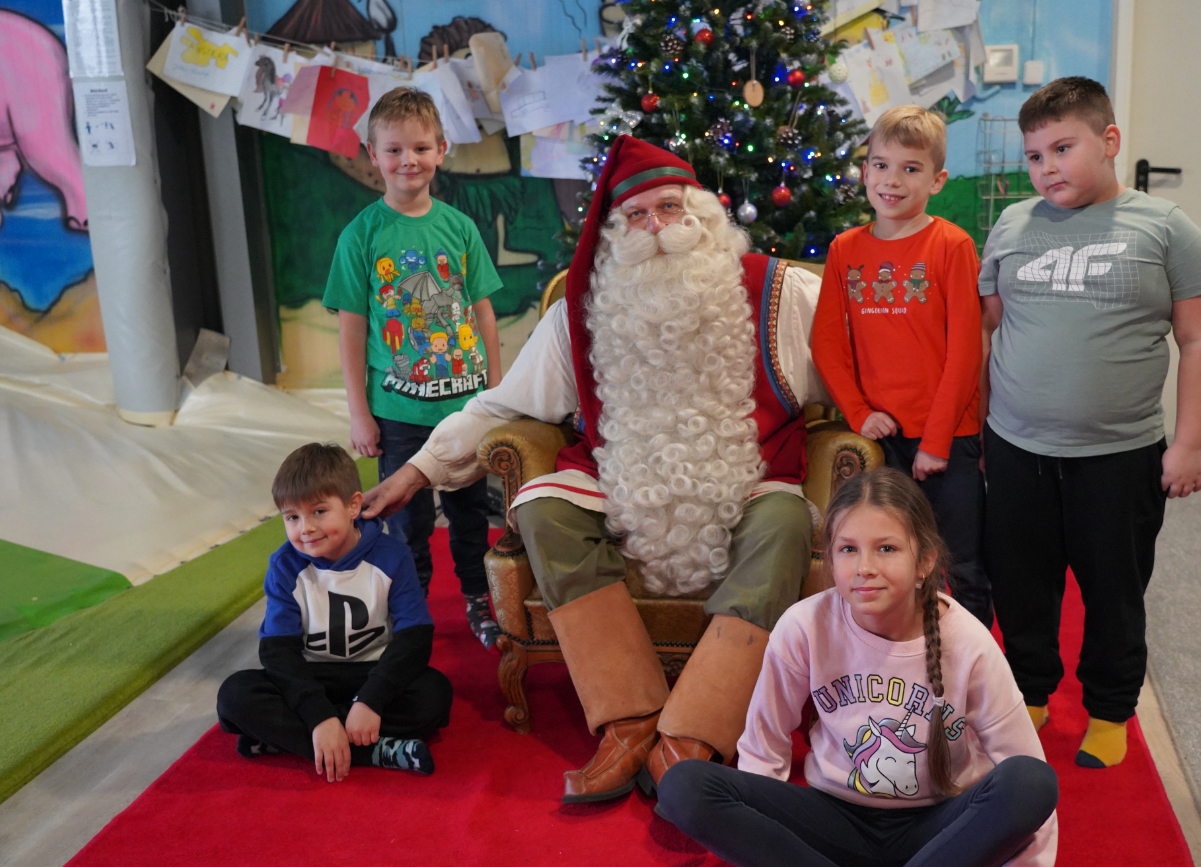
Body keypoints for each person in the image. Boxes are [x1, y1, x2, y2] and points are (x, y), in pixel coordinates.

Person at [360, 135, 829, 804]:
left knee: (784, 520)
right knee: (543, 505)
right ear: (614, 233)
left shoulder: (780, 293)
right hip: (620, 480)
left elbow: (852, 367)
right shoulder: (580, 315)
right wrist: (419, 469)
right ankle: (629, 718)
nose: (656, 228)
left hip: (748, 482)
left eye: (668, 208)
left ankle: (693, 734)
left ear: (700, 212)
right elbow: (501, 404)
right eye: (635, 217)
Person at [980, 77, 1201, 767]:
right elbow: (983, 325)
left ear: (1109, 141)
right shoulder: (1013, 225)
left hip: (1119, 455)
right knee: (1020, 581)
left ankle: (1110, 706)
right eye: (1034, 155)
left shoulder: (1166, 230)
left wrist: (1191, 443)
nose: (1047, 166)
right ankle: (1027, 688)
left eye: (1063, 147)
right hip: (1017, 445)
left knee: (1113, 587)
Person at [658, 468, 1059, 867]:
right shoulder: (803, 625)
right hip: (832, 818)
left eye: (886, 548)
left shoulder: (968, 641)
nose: (864, 567)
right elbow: (764, 745)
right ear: (830, 558)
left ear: (924, 561)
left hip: (938, 830)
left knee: (1032, 783)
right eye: (848, 549)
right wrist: (764, 836)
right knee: (684, 786)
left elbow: (1020, 765)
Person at [322, 87, 504, 650]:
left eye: (420, 148)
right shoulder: (361, 236)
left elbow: (482, 311)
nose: (409, 161)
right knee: (407, 520)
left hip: (466, 406)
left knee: (471, 513)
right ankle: (411, 608)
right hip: (399, 410)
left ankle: (477, 595)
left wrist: (497, 391)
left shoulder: (460, 229)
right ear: (372, 156)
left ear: (442, 150)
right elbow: (351, 329)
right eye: (394, 150)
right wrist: (360, 413)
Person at [813, 105, 992, 628]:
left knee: (962, 564)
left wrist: (936, 440)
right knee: (893, 560)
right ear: (865, 171)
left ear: (936, 179)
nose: (892, 180)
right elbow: (826, 343)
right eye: (880, 164)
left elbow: (965, 350)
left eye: (910, 169)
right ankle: (902, 659)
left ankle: (965, 677)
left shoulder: (952, 245)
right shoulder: (845, 249)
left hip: (948, 438)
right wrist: (858, 411)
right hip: (881, 437)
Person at [216, 443, 453, 781]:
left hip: (373, 674)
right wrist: (319, 717)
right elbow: (278, 652)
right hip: (312, 677)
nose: (306, 528)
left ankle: (289, 741)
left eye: (319, 512)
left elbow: (414, 639)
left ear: (353, 505)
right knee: (235, 695)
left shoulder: (393, 556)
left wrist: (370, 701)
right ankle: (373, 750)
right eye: (292, 517)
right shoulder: (284, 565)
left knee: (434, 693)